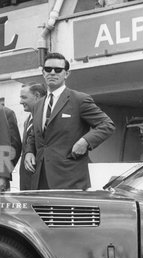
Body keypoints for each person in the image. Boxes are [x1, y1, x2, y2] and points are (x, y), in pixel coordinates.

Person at [24, 52, 115, 190]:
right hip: (40, 178)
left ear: (66, 74)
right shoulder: (38, 105)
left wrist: (85, 141)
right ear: (43, 73)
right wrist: (29, 151)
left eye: (58, 70)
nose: (52, 73)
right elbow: (34, 134)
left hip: (69, 179)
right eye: (48, 69)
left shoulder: (79, 100)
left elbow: (107, 125)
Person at [19, 83, 46, 190]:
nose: (20, 102)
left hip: (40, 183)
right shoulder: (28, 120)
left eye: (24, 97)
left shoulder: (48, 118)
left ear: (37, 96)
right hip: (26, 181)